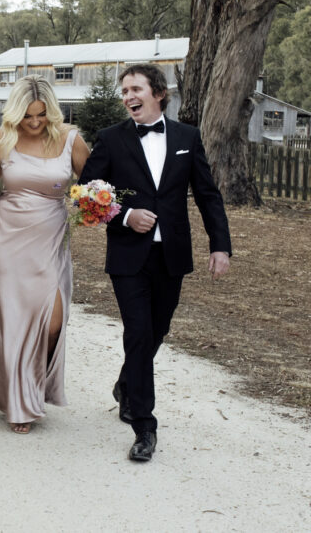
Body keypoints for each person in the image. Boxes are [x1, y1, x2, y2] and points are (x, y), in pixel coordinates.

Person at [79, 63, 231, 461]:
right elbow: (86, 192)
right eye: (124, 90)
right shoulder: (110, 139)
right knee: (139, 333)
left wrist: (221, 246)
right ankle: (144, 427)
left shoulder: (186, 137)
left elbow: (208, 195)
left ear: (158, 93)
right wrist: (127, 215)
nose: (128, 96)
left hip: (173, 254)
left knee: (158, 328)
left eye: (135, 89)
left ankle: (128, 382)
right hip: (129, 255)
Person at [0, 76, 90, 433]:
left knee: (52, 322)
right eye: (27, 116)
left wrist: (97, 204)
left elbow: (95, 181)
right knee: (11, 321)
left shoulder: (70, 139)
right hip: (5, 240)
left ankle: (30, 388)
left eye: (41, 115)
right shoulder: (3, 138)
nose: (34, 123)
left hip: (50, 239)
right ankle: (20, 402)